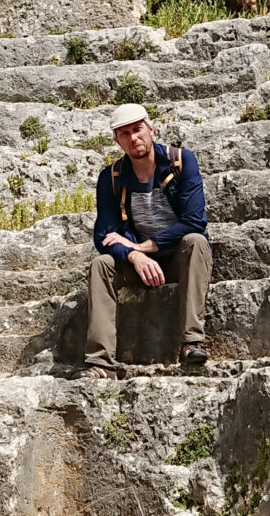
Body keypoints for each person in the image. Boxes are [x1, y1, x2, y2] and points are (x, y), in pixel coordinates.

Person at [82, 102, 209, 377]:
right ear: (117, 140)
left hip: (177, 257)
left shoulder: (182, 162)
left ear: (151, 129)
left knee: (196, 242)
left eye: (137, 130)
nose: (133, 138)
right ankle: (101, 361)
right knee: (101, 264)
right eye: (124, 134)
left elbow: (194, 221)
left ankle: (192, 342)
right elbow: (103, 234)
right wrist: (135, 256)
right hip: (138, 264)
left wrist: (142, 247)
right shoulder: (111, 178)